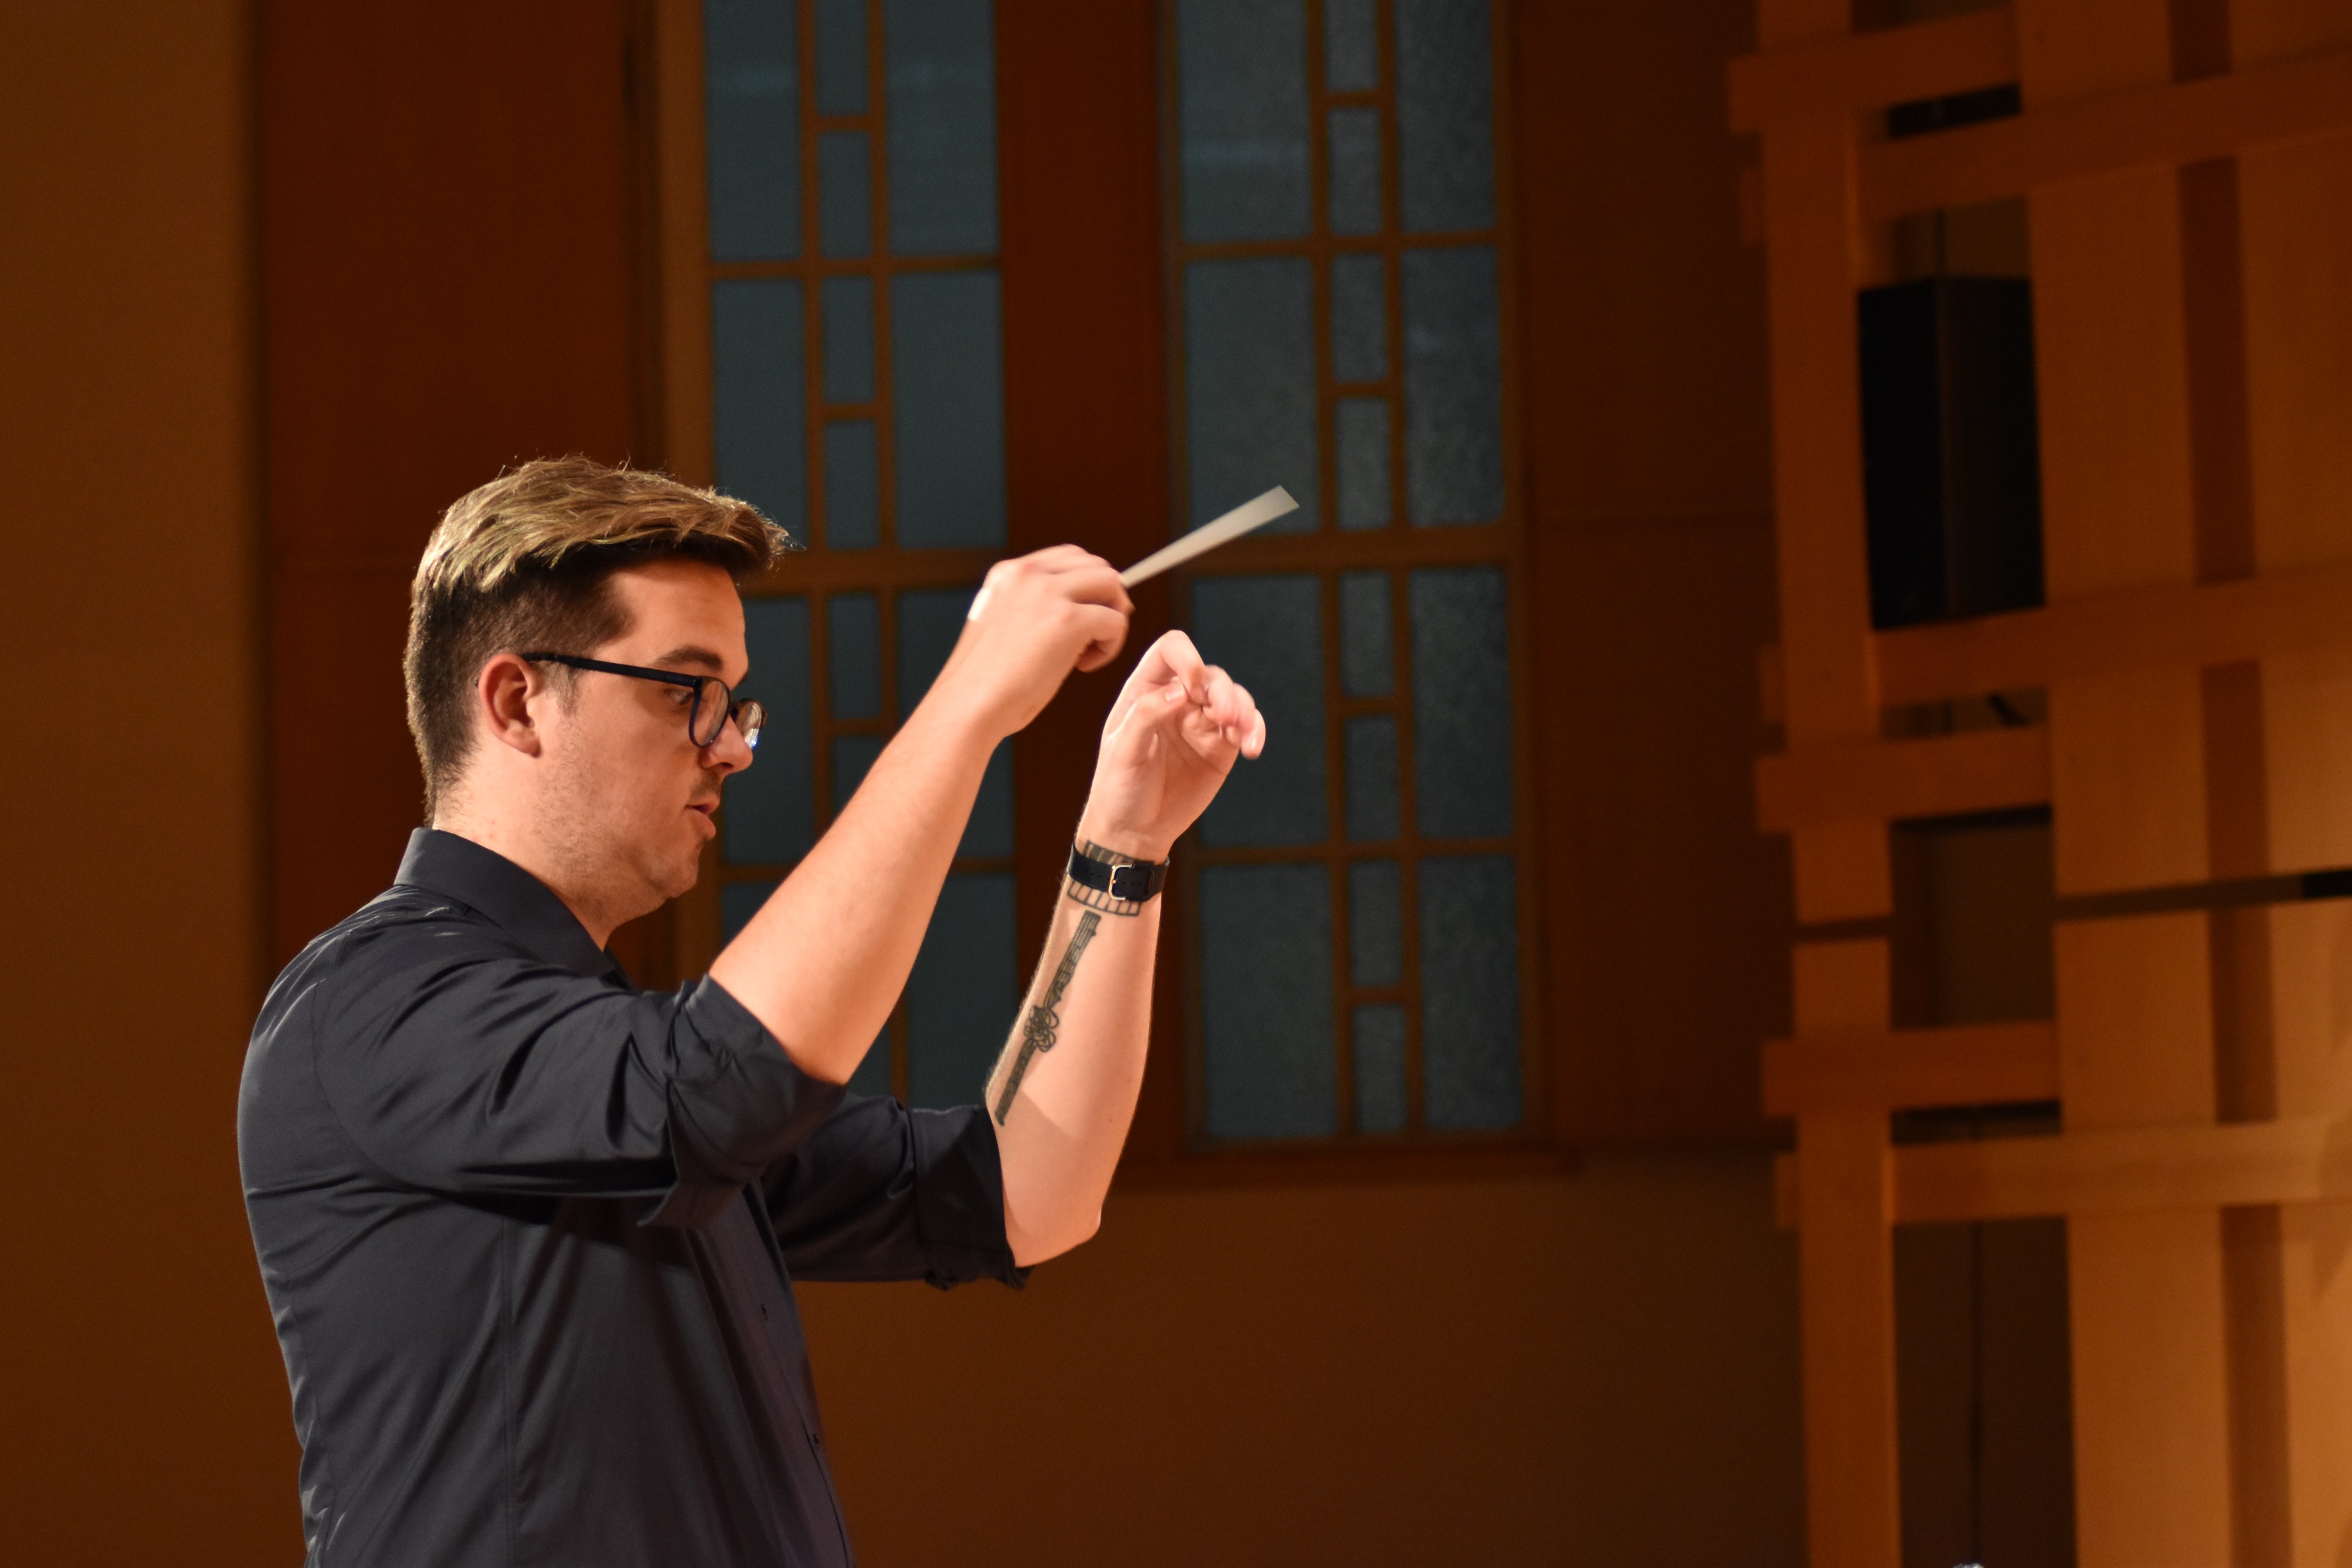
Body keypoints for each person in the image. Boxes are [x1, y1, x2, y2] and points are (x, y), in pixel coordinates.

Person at [238, 456, 1265, 1566]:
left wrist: (1128, 840)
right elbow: (721, 1081)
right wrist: (970, 700)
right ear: (517, 700)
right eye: (689, 692)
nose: (729, 747)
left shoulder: (596, 1052)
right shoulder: (368, 1004)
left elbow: (1026, 1194)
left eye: (737, 703)